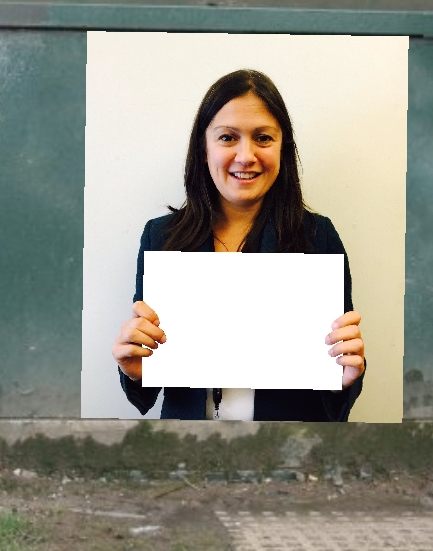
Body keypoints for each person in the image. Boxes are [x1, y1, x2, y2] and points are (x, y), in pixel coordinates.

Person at [110, 69, 365, 421]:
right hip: (190, 452)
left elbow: (337, 383)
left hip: (287, 452)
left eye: (263, 138)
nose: (246, 156)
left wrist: (345, 378)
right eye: (228, 138)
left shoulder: (318, 237)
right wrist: (135, 368)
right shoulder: (162, 237)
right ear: (204, 148)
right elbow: (147, 384)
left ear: (283, 149)